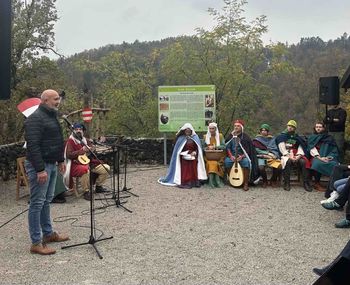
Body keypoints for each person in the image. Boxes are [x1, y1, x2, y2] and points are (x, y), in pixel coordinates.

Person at [24, 89, 69, 255]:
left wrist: (61, 160)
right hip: (40, 166)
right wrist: (40, 169)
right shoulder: (35, 119)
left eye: (58, 99)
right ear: (45, 100)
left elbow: (56, 140)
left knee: (46, 200)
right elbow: (33, 146)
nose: (58, 101)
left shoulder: (51, 116)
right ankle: (36, 242)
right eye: (55, 99)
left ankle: (48, 234)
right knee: (37, 203)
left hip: (51, 163)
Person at [63, 122, 110, 201]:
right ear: (73, 131)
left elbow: (91, 149)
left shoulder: (86, 140)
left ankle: (99, 186)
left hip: (89, 162)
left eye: (80, 129)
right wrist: (81, 151)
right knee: (85, 170)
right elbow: (69, 155)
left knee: (106, 167)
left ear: (83, 131)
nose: (78, 131)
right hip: (76, 164)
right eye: (76, 129)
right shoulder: (70, 141)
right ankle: (86, 191)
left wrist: (92, 149)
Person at [158, 123, 207, 188]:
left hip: (193, 157)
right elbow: (178, 150)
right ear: (184, 131)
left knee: (194, 165)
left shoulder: (195, 137)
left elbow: (198, 149)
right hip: (183, 157)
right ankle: (186, 181)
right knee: (185, 166)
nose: (187, 132)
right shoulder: (181, 138)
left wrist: (195, 152)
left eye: (189, 131)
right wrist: (184, 153)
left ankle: (194, 181)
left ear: (191, 131)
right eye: (186, 131)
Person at [275, 120, 312, 192]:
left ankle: (306, 183)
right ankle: (287, 183)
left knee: (303, 162)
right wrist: (289, 156)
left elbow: (301, 147)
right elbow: (282, 148)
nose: (290, 128)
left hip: (296, 154)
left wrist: (298, 156)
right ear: (287, 126)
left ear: (295, 128)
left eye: (292, 127)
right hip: (286, 155)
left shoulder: (297, 137)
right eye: (289, 126)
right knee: (287, 162)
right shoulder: (281, 136)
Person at [224, 119, 260, 191]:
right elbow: (227, 147)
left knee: (246, 162)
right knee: (227, 162)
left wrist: (242, 156)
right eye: (235, 126)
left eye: (238, 126)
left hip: (242, 157)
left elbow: (248, 150)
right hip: (232, 156)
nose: (236, 127)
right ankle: (232, 179)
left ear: (241, 128)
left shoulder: (245, 137)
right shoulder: (231, 136)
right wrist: (231, 156)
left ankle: (245, 183)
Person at [307, 122, 339, 192]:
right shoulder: (312, 137)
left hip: (327, 156)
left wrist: (329, 157)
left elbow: (334, 150)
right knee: (317, 163)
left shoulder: (329, 138)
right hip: (316, 156)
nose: (318, 128)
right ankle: (316, 183)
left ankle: (333, 184)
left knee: (335, 164)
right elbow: (311, 149)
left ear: (323, 128)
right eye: (317, 127)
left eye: (320, 127)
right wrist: (319, 157)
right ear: (315, 128)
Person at [252, 124, 281, 188]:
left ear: (268, 131)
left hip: (271, 156)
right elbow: (256, 150)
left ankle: (273, 180)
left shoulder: (272, 139)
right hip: (261, 156)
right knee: (261, 167)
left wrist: (274, 155)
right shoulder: (257, 139)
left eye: (265, 130)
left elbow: (275, 148)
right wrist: (267, 153)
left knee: (278, 166)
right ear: (260, 131)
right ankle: (264, 181)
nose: (263, 132)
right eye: (262, 130)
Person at [203, 122, 225, 188]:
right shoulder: (205, 137)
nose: (211, 130)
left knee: (214, 163)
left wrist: (215, 147)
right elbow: (203, 147)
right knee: (211, 163)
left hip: (219, 156)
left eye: (213, 128)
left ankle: (216, 182)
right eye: (210, 128)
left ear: (215, 129)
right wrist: (207, 147)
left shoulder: (220, 136)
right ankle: (211, 183)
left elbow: (224, 146)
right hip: (208, 157)